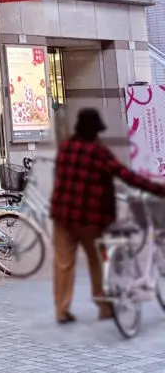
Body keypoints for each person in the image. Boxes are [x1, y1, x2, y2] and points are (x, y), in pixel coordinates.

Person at [50, 107, 165, 324]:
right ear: (95, 131)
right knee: (97, 262)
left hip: (63, 215)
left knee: (63, 264)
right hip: (89, 218)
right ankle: (104, 307)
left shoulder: (65, 148)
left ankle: (62, 310)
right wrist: (159, 189)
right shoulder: (98, 152)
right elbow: (126, 175)